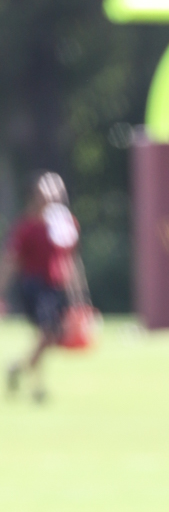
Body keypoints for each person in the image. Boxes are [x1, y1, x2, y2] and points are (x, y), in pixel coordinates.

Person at [0, 172, 82, 401]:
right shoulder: (26, 227)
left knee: (52, 336)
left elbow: (69, 260)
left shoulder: (65, 224)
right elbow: (11, 262)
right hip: (34, 286)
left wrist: (77, 296)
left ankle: (18, 369)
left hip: (55, 286)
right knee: (47, 333)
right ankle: (37, 387)